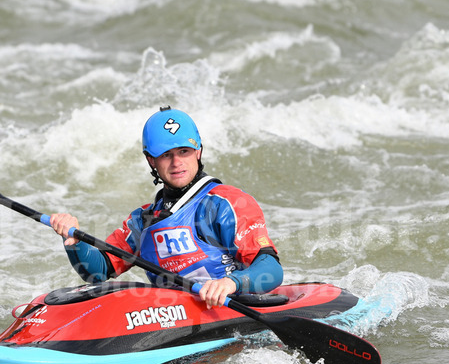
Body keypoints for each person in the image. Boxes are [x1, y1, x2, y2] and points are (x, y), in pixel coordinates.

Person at [49, 106, 283, 308]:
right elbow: (97, 272)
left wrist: (231, 283)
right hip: (173, 317)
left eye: (184, 151)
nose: (176, 162)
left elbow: (271, 269)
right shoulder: (143, 221)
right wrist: (75, 242)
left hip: (233, 308)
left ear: (198, 151)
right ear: (151, 160)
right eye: (166, 155)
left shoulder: (226, 203)